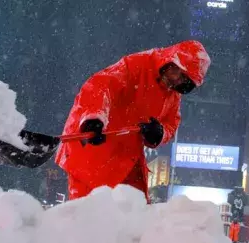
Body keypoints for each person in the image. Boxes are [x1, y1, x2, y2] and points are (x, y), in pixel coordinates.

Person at [55, 41, 211, 202]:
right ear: (171, 61)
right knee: (90, 215)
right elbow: (100, 85)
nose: (177, 81)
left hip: (126, 156)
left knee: (137, 213)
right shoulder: (138, 65)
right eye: (178, 73)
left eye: (184, 80)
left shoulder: (173, 94)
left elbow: (171, 123)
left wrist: (160, 133)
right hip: (92, 150)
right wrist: (94, 118)